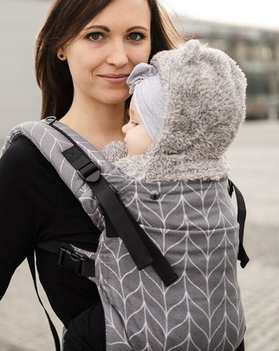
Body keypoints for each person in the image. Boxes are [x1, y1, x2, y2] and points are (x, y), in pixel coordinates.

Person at [0, 0, 182, 350]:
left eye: (135, 35)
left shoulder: (179, 142)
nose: (119, 56)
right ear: (61, 45)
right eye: (96, 36)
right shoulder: (33, 163)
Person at [63, 39, 248, 351]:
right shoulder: (218, 177)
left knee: (81, 332)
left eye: (134, 122)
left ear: (167, 138)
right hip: (226, 327)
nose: (124, 129)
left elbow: (89, 187)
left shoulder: (134, 182)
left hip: (153, 330)